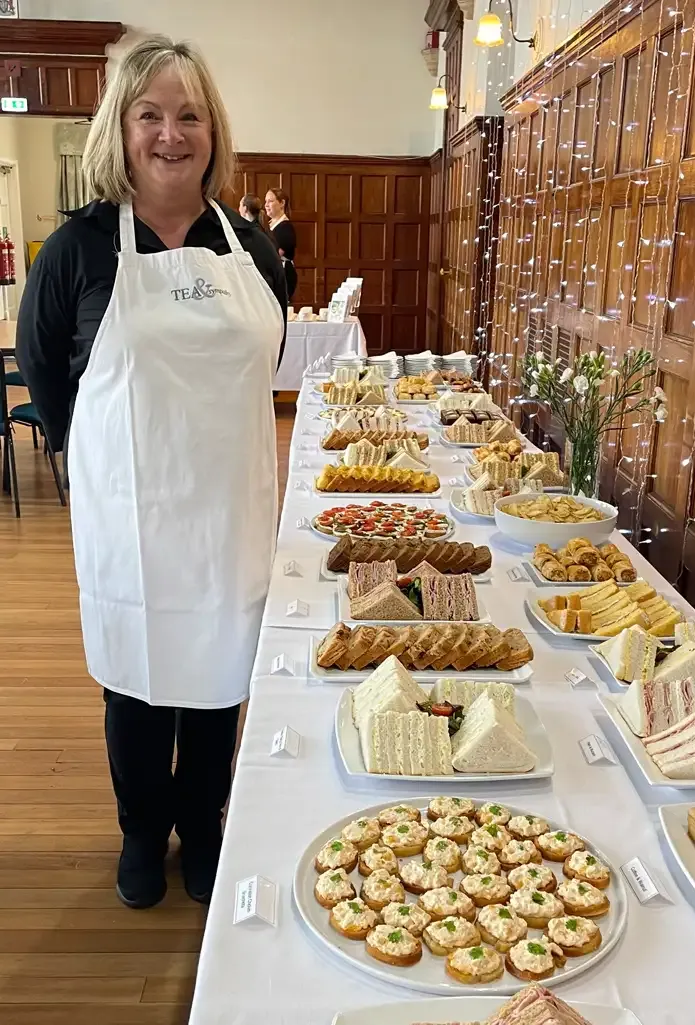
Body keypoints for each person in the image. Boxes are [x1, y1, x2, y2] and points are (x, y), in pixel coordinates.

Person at [15, 36, 287, 910]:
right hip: (132, 511)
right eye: (151, 115)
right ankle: (142, 831)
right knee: (136, 677)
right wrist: (92, 456)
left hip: (229, 511)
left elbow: (267, 356)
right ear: (121, 128)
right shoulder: (82, 247)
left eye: (190, 115)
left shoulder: (249, 247)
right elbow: (42, 364)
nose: (172, 134)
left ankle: (203, 825)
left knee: (217, 677)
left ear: (214, 130)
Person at [265, 187, 297, 301]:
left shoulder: (285, 227)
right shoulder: (268, 225)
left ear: (282, 203)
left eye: (270, 201)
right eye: (266, 201)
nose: (266, 205)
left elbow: (275, 255)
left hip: (282, 275)